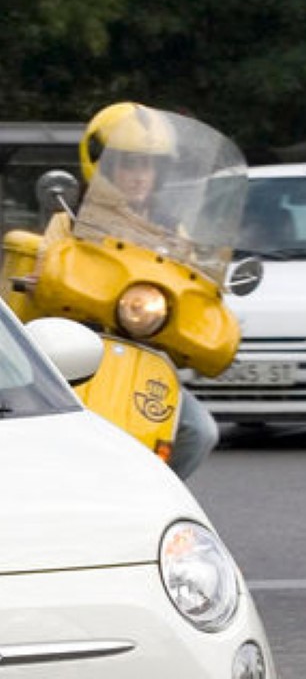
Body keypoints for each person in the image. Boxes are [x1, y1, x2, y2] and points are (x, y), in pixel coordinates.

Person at [54, 102, 219, 480]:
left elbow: (190, 283)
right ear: (106, 164)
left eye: (148, 165)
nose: (139, 175)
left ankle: (155, 498)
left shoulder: (171, 231)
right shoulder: (71, 221)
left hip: (144, 359)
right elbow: (44, 267)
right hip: (80, 357)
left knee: (199, 431)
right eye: (129, 163)